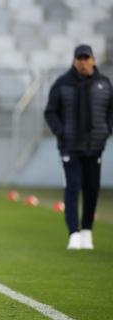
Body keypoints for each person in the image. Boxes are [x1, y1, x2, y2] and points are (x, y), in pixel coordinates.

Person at [45, 44, 113, 250]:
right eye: (79, 59)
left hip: (95, 145)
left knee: (92, 189)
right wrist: (61, 131)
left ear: (93, 60)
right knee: (73, 187)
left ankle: (87, 231)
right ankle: (73, 232)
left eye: (86, 58)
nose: (83, 62)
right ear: (74, 61)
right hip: (70, 146)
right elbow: (50, 111)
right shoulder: (62, 83)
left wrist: (106, 130)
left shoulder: (104, 83)